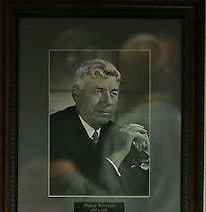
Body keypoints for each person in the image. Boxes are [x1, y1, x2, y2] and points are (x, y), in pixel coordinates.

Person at [48, 57, 149, 197]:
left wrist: (143, 159)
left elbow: (135, 195)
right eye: (98, 91)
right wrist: (117, 156)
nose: (108, 101)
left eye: (113, 93)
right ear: (76, 93)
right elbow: (75, 194)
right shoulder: (51, 129)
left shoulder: (118, 132)